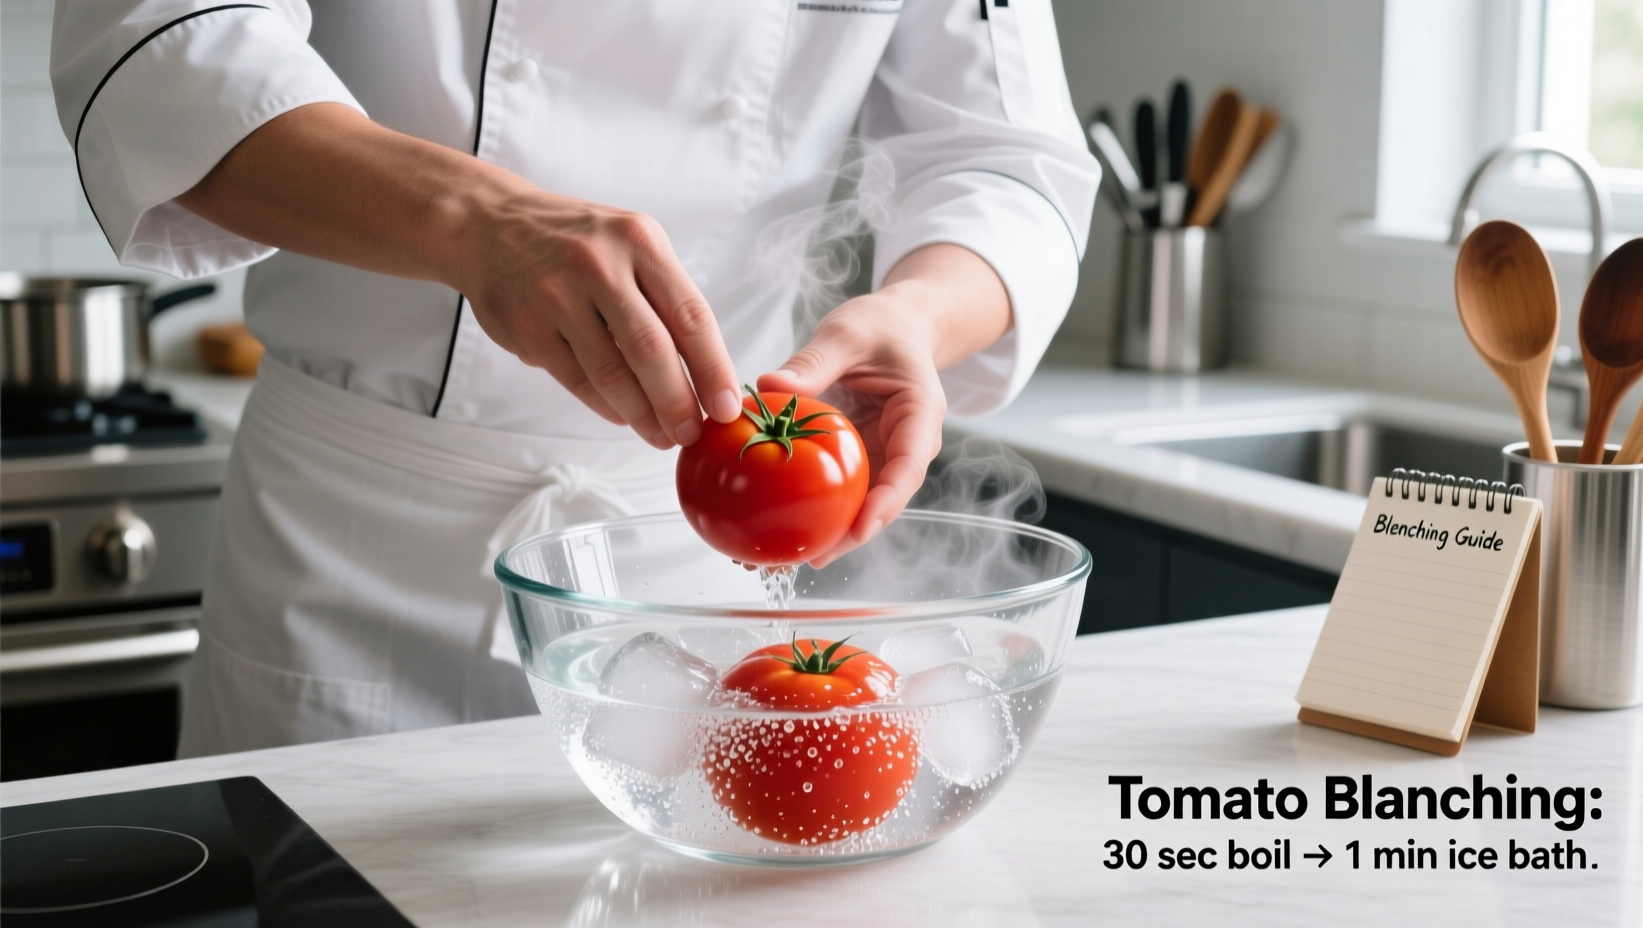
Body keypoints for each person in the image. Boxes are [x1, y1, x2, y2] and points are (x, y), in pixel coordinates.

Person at [52, 0, 1097, 756]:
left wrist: (910, 312)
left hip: (692, 551)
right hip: (354, 544)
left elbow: (1007, 160)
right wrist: (471, 219)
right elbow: (160, 48)